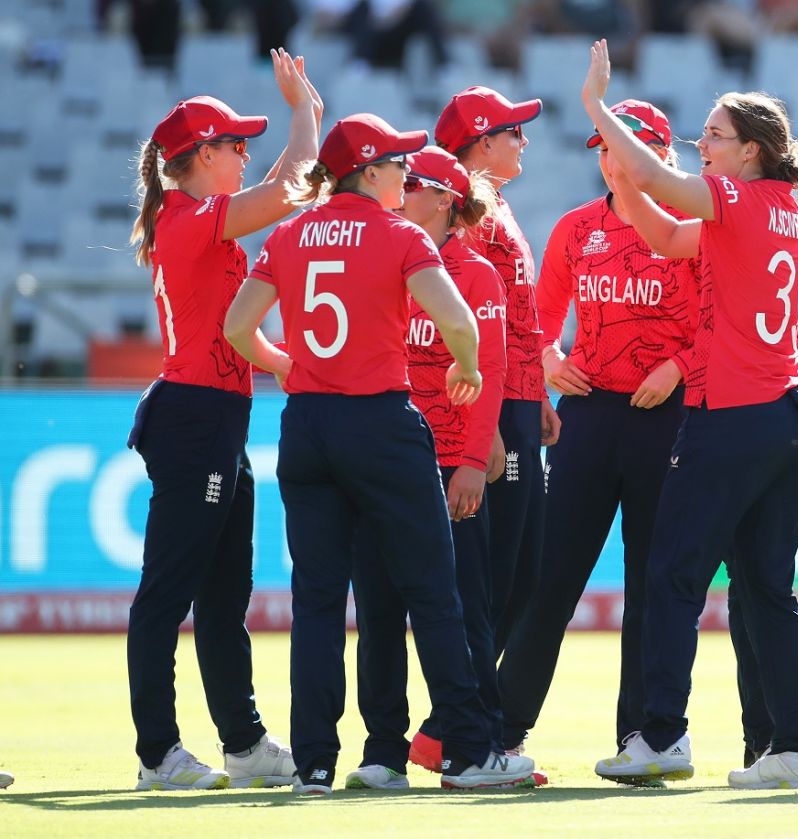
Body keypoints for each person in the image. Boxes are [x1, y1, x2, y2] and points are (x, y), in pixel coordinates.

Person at [580, 40, 798, 790]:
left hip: (734, 415)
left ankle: (660, 736)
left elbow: (659, 181)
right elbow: (665, 235)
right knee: (767, 591)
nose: (703, 145)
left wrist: (596, 109)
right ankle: (794, 749)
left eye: (715, 135)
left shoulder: (738, 201)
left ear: (751, 151)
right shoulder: (785, 217)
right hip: (791, 417)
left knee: (672, 576)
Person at [222, 113, 537, 795]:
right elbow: (456, 318)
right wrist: (467, 367)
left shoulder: (289, 233)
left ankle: (314, 762)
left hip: (306, 425)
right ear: (368, 172)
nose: (404, 174)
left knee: (318, 602)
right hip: (380, 421)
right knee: (434, 590)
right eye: (396, 164)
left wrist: (284, 364)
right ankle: (469, 753)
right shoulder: (398, 234)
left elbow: (238, 325)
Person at [125, 50, 320, 792]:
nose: (244, 156)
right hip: (196, 418)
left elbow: (233, 328)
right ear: (203, 155)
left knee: (223, 595)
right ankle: (157, 754)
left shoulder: (198, 221)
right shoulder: (187, 220)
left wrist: (277, 361)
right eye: (236, 145)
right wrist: (304, 117)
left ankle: (242, 743)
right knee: (168, 592)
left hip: (217, 418)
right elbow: (290, 188)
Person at [495, 99, 698, 763]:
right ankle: (502, 732)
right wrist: (548, 358)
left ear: (662, 156)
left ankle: (643, 735)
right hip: (589, 415)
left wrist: (678, 366)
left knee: (652, 582)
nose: (613, 160)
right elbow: (535, 320)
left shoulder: (692, 228)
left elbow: (722, 321)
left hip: (667, 418)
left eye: (626, 147)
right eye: (605, 148)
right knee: (550, 576)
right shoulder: (578, 228)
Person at [344, 145, 521, 789]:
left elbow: (491, 368)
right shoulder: (382, 257)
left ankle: (481, 742)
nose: (400, 187)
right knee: (379, 614)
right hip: (386, 463)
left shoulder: (476, 274)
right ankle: (382, 752)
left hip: (449, 467)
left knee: (466, 611)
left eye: (413, 182)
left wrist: (473, 461)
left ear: (445, 200)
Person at [433, 86, 560, 658]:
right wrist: (483, 426)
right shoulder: (466, 215)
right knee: (497, 573)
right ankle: (464, 706)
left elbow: (513, 317)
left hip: (517, 401)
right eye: (514, 132)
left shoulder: (491, 206)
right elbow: (462, 327)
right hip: (496, 407)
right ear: (481, 142)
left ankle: (469, 703)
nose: (524, 140)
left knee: (521, 570)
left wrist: (537, 397)